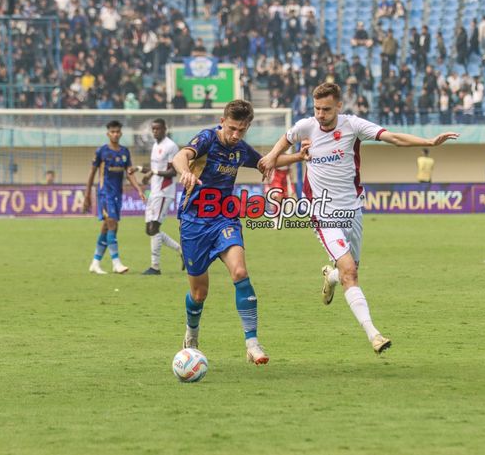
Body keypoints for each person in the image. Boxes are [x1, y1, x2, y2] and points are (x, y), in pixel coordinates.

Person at [259, 83, 459, 355]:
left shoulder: (353, 126)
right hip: (322, 212)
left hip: (353, 211)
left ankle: (330, 277)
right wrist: (271, 156)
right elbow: (287, 137)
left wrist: (429, 142)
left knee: (348, 271)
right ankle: (374, 334)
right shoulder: (307, 126)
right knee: (350, 272)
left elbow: (393, 138)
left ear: (339, 106)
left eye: (326, 109)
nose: (320, 114)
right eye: (317, 108)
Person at [172, 100, 310, 365]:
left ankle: (252, 342)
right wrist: (185, 172)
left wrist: (298, 157)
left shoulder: (239, 148)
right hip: (194, 222)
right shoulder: (206, 139)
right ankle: (192, 333)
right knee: (199, 293)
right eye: (232, 128)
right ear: (222, 121)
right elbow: (180, 156)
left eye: (242, 131)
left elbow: (265, 162)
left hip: (225, 217)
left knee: (240, 272)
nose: (236, 135)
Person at [83, 120, 146, 274]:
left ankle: (95, 263)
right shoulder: (101, 152)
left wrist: (138, 189)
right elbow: (92, 173)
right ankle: (116, 263)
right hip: (105, 194)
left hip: (117, 194)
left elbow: (129, 173)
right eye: (112, 131)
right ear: (108, 133)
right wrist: (87, 195)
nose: (115, 134)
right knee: (112, 224)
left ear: (121, 133)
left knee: (107, 227)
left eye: (117, 131)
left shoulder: (125, 152)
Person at [130, 119, 183, 275]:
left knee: (154, 228)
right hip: (154, 191)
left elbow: (173, 172)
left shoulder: (171, 146)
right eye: (153, 129)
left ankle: (155, 267)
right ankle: (181, 250)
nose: (155, 132)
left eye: (158, 129)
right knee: (150, 229)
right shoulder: (155, 145)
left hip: (164, 191)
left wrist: (153, 173)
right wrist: (139, 168)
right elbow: (154, 168)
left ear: (165, 129)